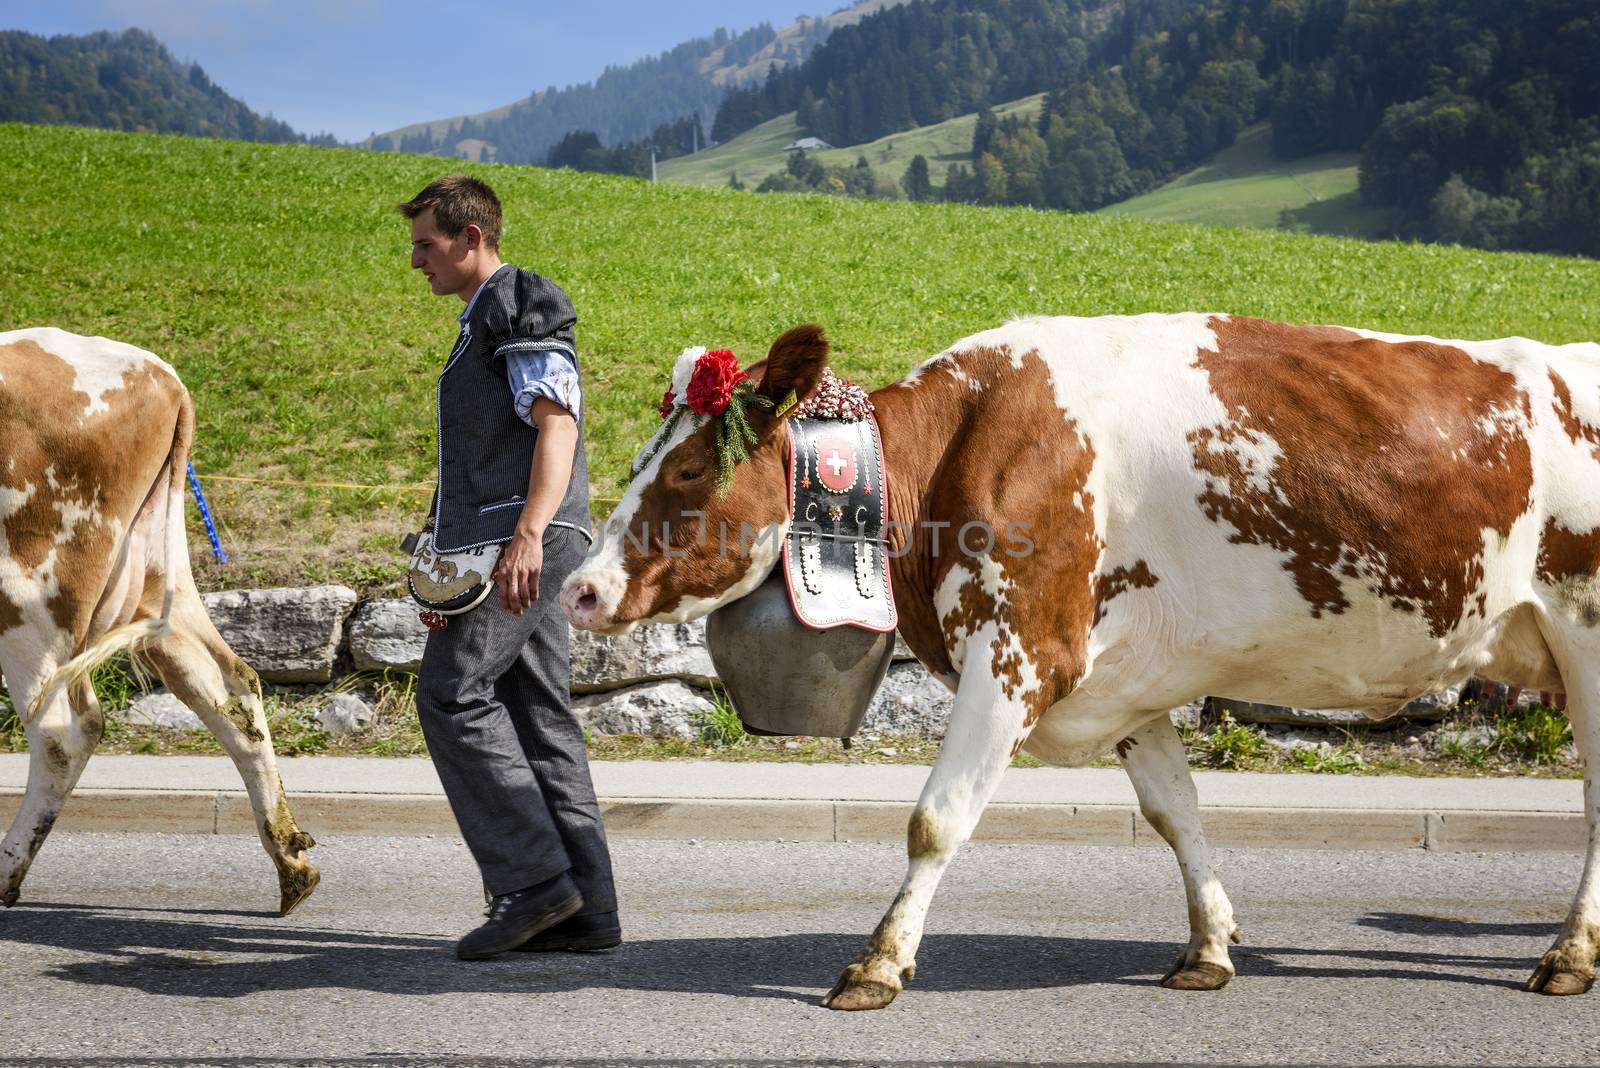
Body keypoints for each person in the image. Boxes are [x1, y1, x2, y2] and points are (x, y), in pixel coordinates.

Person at [398, 174, 618, 959]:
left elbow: (557, 424)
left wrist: (528, 536)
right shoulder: (484, 318)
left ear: (470, 239)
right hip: (509, 542)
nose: (416, 259)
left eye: (426, 243)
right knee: (537, 714)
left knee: (451, 694)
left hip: (528, 543)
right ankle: (587, 908)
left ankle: (532, 885)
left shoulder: (516, 299)